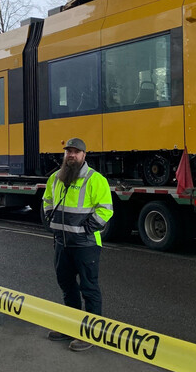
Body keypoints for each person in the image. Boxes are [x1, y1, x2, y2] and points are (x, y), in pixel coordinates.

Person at [42, 137, 113, 352]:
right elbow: (47, 200)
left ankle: (92, 333)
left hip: (86, 244)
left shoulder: (95, 179)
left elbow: (106, 209)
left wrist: (85, 229)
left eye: (76, 151)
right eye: (68, 151)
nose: (71, 155)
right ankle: (71, 327)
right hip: (62, 243)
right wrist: (49, 220)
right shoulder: (56, 177)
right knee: (67, 285)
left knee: (89, 288)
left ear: (84, 155)